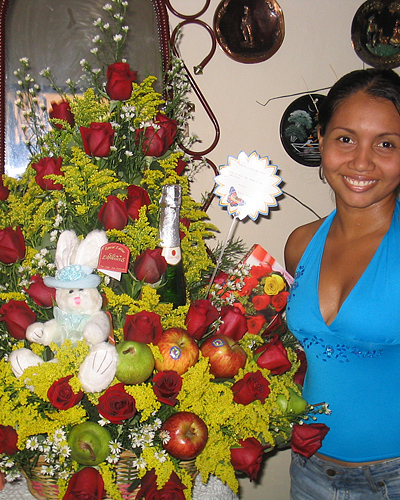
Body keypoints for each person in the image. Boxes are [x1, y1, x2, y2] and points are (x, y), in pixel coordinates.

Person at [285, 67, 400, 500]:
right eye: (346, 138)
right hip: (311, 473)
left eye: (386, 144)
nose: (362, 161)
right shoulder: (300, 244)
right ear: (321, 139)